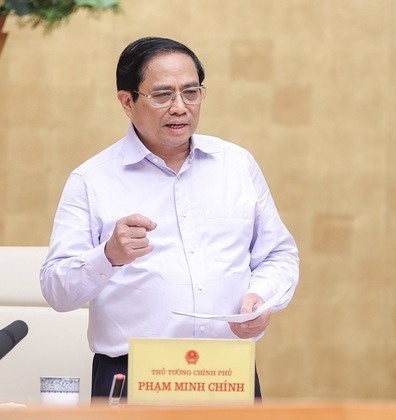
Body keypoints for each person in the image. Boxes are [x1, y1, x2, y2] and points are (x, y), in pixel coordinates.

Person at [40, 36, 299, 401]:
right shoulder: (92, 179)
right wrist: (108, 255)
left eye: (191, 93)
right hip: (133, 376)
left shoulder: (237, 165)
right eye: (162, 95)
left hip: (227, 373)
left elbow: (279, 254)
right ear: (127, 101)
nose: (180, 107)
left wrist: (262, 296)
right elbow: (56, 290)